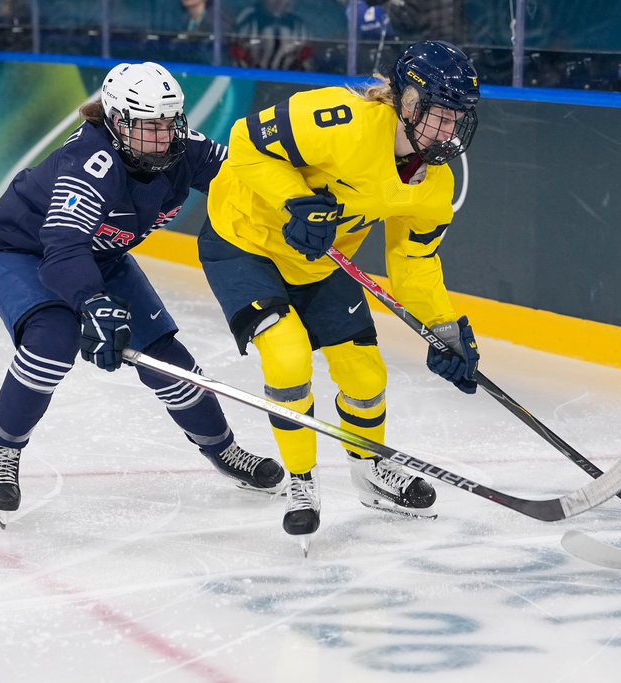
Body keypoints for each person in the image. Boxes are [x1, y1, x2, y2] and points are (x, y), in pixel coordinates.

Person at [198, 40, 482, 547]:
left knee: (365, 372)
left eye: (456, 119)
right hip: (245, 242)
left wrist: (444, 329)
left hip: (319, 260)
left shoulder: (432, 185)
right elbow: (244, 142)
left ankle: (371, 469)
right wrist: (297, 201)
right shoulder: (342, 121)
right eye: (438, 115)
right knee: (287, 360)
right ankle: (302, 482)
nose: (447, 131)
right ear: (408, 102)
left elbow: (414, 261)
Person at [0, 61, 284, 525]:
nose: (163, 137)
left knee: (167, 357)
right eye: (149, 126)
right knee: (52, 342)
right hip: (26, 251)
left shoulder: (185, 148)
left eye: (169, 123)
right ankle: (4, 450)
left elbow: (245, 179)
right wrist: (93, 303)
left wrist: (293, 205)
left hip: (100, 256)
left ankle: (223, 450)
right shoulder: (91, 162)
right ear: (118, 121)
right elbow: (62, 248)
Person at [229, 0, 313, 71]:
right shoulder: (247, 19)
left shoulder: (299, 25)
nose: (278, 2)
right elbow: (235, 51)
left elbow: (306, 57)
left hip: (288, 81)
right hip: (250, 78)